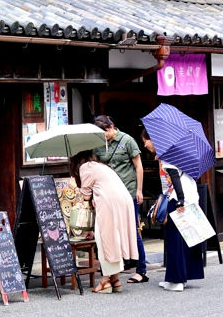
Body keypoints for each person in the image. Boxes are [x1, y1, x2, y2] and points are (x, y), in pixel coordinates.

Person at [142, 131, 205, 292]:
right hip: (191, 197)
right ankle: (180, 278)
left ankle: (176, 281)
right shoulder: (179, 152)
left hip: (179, 200)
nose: (145, 145)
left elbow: (174, 176)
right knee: (187, 239)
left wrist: (180, 200)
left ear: (153, 139)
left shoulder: (167, 154)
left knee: (175, 240)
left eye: (145, 141)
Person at [70, 150, 138, 293]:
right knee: (114, 239)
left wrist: (73, 186)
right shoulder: (100, 166)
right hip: (123, 200)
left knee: (105, 239)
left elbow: (86, 195)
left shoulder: (85, 167)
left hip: (109, 203)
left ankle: (105, 281)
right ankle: (115, 279)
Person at [92, 114, 149, 284]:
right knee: (110, 231)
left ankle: (141, 270)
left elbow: (139, 166)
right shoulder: (98, 144)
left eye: (104, 133)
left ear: (111, 127)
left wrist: (139, 190)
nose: (103, 137)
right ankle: (115, 271)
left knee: (132, 229)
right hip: (108, 194)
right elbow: (96, 169)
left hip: (127, 192)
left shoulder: (128, 141)